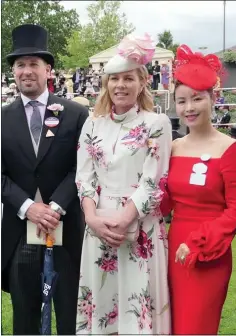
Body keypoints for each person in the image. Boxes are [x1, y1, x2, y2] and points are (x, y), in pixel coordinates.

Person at [75, 33, 172, 334]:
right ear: (106, 83)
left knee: (135, 302)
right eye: (114, 79)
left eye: (128, 78)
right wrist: (92, 218)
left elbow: (154, 181)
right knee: (103, 305)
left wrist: (124, 219)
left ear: (142, 81)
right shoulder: (93, 123)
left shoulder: (157, 124)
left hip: (139, 227)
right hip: (97, 226)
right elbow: (84, 176)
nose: (120, 85)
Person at [1, 24, 88, 335]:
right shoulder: (2, 119)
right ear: (13, 70)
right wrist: (28, 207)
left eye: (33, 64)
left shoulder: (76, 115)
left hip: (66, 232)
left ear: (48, 68)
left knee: (69, 315)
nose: (27, 71)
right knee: (24, 317)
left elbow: (83, 167)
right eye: (20, 64)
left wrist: (55, 206)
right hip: (19, 235)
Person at [160, 44, 236, 334]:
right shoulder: (172, 147)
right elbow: (163, 203)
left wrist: (201, 242)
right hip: (171, 250)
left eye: (197, 99)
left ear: (213, 99)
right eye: (182, 100)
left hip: (208, 253)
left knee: (195, 326)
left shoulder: (231, 148)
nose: (189, 108)